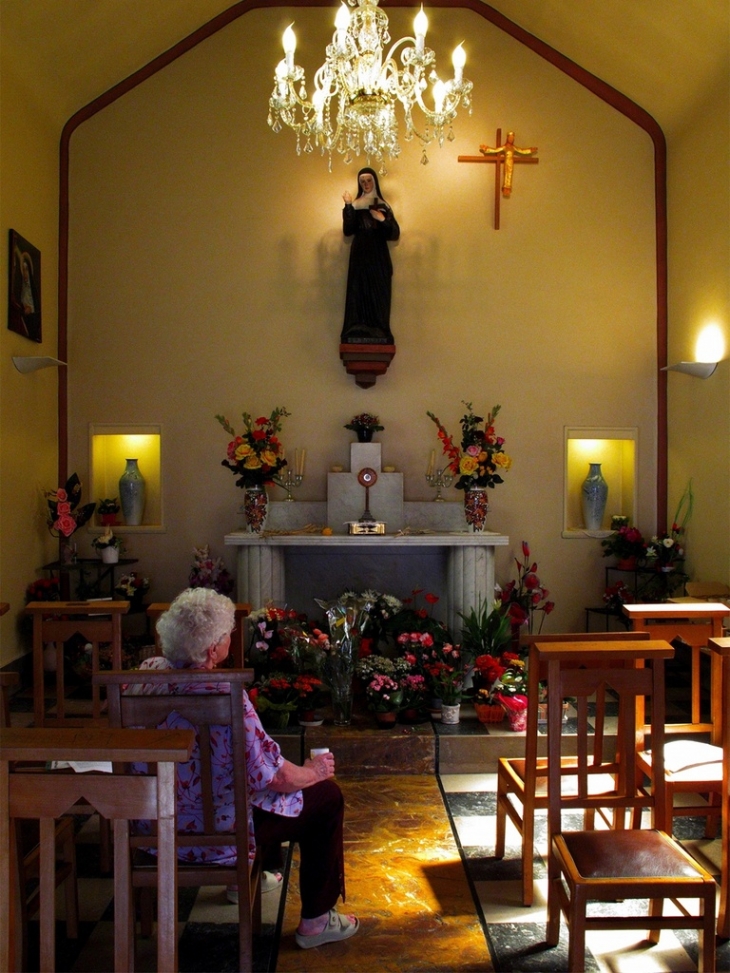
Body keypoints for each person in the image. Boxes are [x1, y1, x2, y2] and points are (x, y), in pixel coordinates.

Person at [127, 587, 358, 949]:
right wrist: (314, 772)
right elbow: (274, 776)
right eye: (226, 635)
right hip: (217, 830)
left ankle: (245, 879)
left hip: (153, 822)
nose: (230, 639)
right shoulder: (223, 693)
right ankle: (316, 921)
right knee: (325, 797)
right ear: (210, 649)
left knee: (232, 782)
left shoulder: (144, 675)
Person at [341, 167, 400, 345]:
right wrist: (349, 206)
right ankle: (356, 326)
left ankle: (379, 327)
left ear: (375, 181)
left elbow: (394, 233)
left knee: (378, 289)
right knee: (358, 288)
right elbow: (348, 230)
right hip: (360, 254)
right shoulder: (356, 204)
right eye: (362, 181)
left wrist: (382, 219)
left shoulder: (382, 204)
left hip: (377, 255)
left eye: (368, 180)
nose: (366, 184)